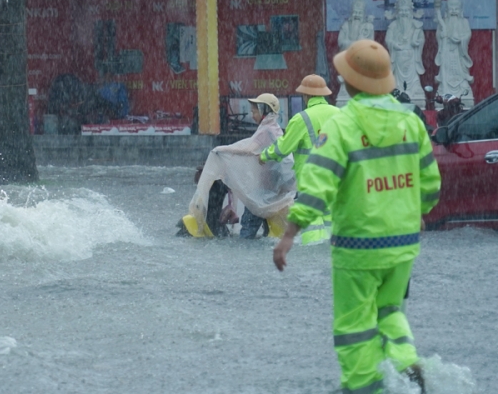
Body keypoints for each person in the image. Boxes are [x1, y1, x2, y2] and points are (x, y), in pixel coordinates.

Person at [273, 40, 440, 394]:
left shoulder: (343, 125)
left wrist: (290, 233)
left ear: (349, 83)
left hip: (358, 247)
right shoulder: (411, 122)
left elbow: (317, 184)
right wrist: (420, 212)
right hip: (403, 244)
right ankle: (406, 359)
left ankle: (363, 386)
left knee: (354, 324)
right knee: (391, 310)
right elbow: (430, 182)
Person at [180, 93, 296, 239]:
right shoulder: (275, 129)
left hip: (265, 191)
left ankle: (245, 249)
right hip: (275, 188)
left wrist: (223, 150)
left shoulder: (266, 130)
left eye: (254, 111)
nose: (252, 115)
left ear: (264, 110)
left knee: (248, 224)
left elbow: (248, 149)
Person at [260, 74, 339, 245]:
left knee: (312, 229)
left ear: (306, 95)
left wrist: (264, 155)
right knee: (332, 224)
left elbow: (282, 148)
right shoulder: (340, 114)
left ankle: (312, 256)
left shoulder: (301, 119)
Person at [384, 0, 426, 105]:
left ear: (411, 12)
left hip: (411, 55)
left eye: (406, 10)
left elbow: (421, 39)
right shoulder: (393, 26)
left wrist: (417, 43)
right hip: (398, 55)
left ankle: (415, 90)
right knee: (397, 79)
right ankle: (398, 91)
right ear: (397, 13)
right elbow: (388, 39)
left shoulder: (416, 26)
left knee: (413, 76)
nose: (403, 13)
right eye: (401, 11)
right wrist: (394, 44)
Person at [434, 0, 474, 104]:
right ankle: (445, 90)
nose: (454, 11)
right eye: (451, 8)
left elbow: (468, 34)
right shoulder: (443, 22)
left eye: (456, 8)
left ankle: (462, 89)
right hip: (446, 52)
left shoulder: (464, 22)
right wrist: (441, 36)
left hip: (459, 53)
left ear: (460, 10)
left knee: (460, 71)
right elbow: (438, 34)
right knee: (446, 71)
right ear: (447, 10)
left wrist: (461, 40)